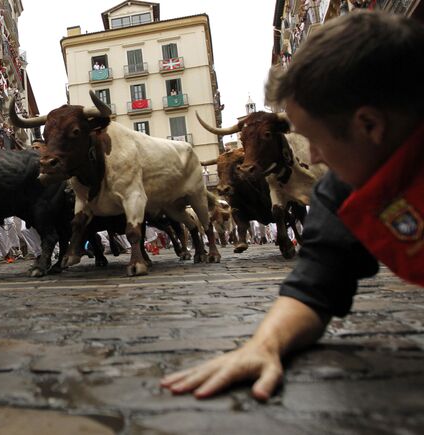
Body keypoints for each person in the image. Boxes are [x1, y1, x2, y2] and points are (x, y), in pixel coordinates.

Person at [161, 11, 423, 401]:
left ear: (369, 125)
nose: (314, 157)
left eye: (315, 139)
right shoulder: (345, 185)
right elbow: (316, 282)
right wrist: (264, 344)